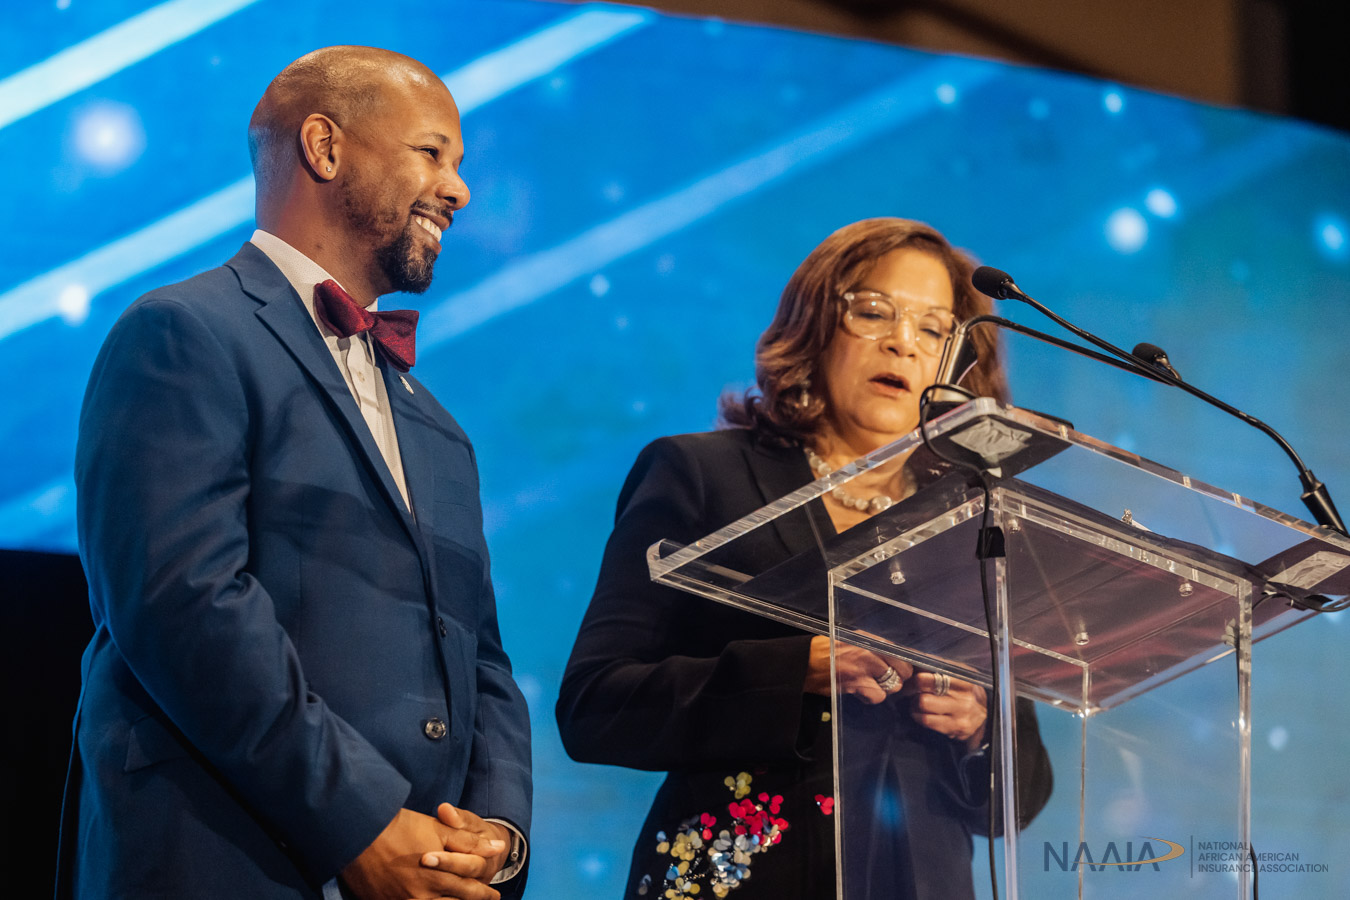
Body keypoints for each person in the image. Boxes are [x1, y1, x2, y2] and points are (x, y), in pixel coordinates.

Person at [58, 47, 531, 900]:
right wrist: (363, 824)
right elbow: (182, 603)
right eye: (433, 152)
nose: (458, 190)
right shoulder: (182, 333)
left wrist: (497, 835)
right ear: (324, 146)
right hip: (219, 862)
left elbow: (481, 659)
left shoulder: (440, 429)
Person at [556, 218, 1052, 899]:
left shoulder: (973, 523)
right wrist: (795, 672)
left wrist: (979, 728)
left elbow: (1022, 798)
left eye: (935, 329)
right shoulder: (700, 475)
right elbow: (595, 705)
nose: (902, 342)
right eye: (873, 312)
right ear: (815, 325)